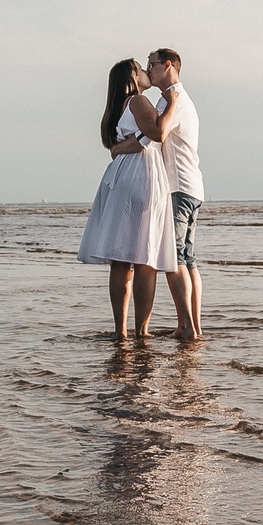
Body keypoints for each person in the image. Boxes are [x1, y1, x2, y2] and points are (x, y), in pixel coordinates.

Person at [77, 58, 180, 339]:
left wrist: (125, 146)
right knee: (145, 258)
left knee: (121, 259)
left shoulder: (117, 108)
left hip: (121, 176)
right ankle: (141, 330)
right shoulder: (137, 101)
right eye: (141, 68)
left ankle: (120, 330)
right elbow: (157, 133)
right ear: (132, 78)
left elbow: (128, 141)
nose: (147, 71)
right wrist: (172, 104)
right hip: (142, 175)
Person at [145, 48, 205, 341]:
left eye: (152, 65)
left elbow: (154, 134)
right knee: (188, 259)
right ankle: (194, 326)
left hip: (178, 186)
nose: (148, 71)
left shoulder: (171, 99)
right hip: (192, 187)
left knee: (175, 257)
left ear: (167, 65)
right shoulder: (185, 99)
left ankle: (186, 327)